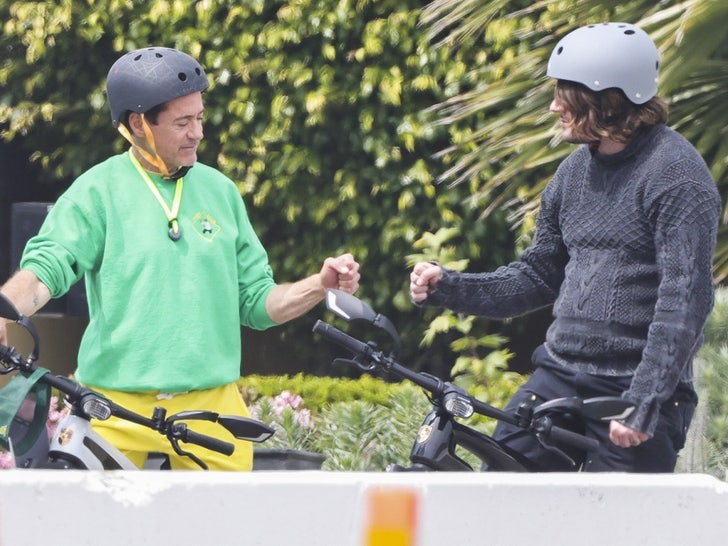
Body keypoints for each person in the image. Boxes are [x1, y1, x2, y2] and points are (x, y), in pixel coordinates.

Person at [0, 46, 360, 470]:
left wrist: (319, 285)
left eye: (200, 118)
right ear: (138, 124)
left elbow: (258, 303)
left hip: (212, 410)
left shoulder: (221, 192)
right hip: (112, 411)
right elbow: (47, 269)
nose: (197, 133)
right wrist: (3, 313)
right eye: (182, 122)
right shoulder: (96, 191)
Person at [409, 23, 721, 472]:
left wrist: (645, 400)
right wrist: (448, 286)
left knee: (621, 530)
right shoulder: (573, 174)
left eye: (565, 94)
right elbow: (537, 277)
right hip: (557, 374)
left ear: (606, 100)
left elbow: (685, 301)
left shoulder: (677, 176)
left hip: (632, 389)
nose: (554, 105)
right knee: (502, 490)